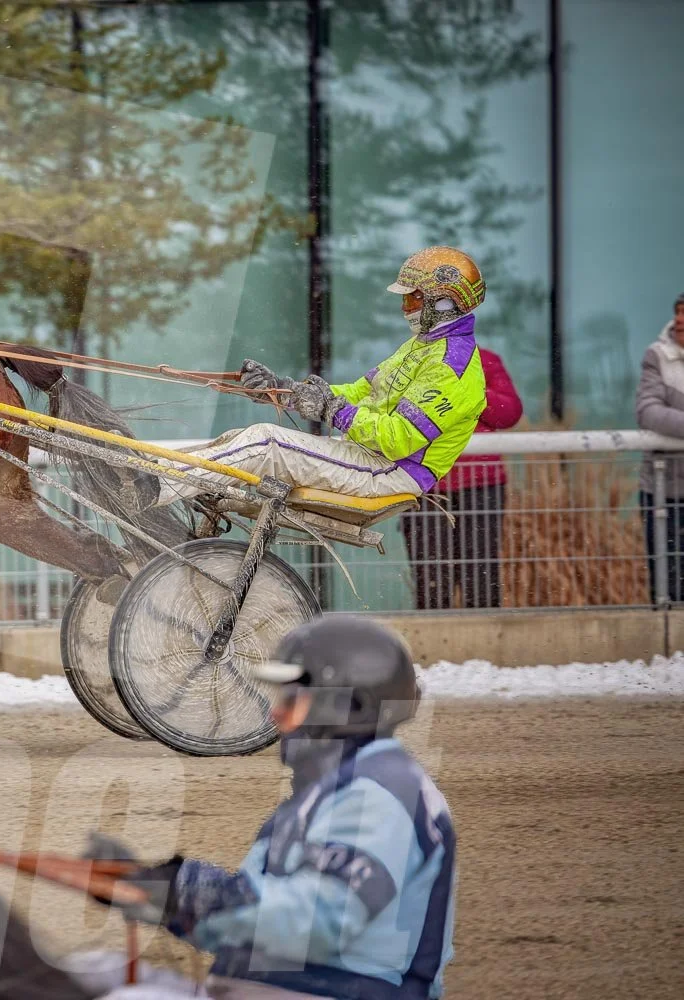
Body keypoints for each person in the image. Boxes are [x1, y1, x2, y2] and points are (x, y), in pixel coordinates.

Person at [80, 616, 456, 1000]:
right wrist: (145, 887)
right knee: (84, 973)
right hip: (275, 989)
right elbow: (253, 923)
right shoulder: (330, 792)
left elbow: (313, 923)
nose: (275, 714)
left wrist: (187, 891)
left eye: (291, 700)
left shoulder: (385, 792)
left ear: (349, 706)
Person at [167, 247, 489, 502]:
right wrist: (284, 390)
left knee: (267, 442)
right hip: (369, 459)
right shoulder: (423, 346)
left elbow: (397, 440)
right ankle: (156, 474)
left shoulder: (451, 367)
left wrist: (332, 411)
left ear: (445, 301)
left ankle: (157, 483)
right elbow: (360, 391)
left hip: (390, 471)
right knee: (239, 438)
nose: (405, 308)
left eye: (413, 297)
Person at [401, 347, 523, 608]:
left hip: (480, 484)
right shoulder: (411, 361)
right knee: (431, 578)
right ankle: (433, 640)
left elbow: (509, 412)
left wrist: (466, 394)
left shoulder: (484, 359)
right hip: (426, 486)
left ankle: (485, 642)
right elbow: (397, 411)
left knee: (480, 574)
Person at [635, 293, 684, 602]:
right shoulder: (658, 356)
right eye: (677, 313)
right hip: (665, 492)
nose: (679, 320)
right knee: (669, 586)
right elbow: (648, 412)